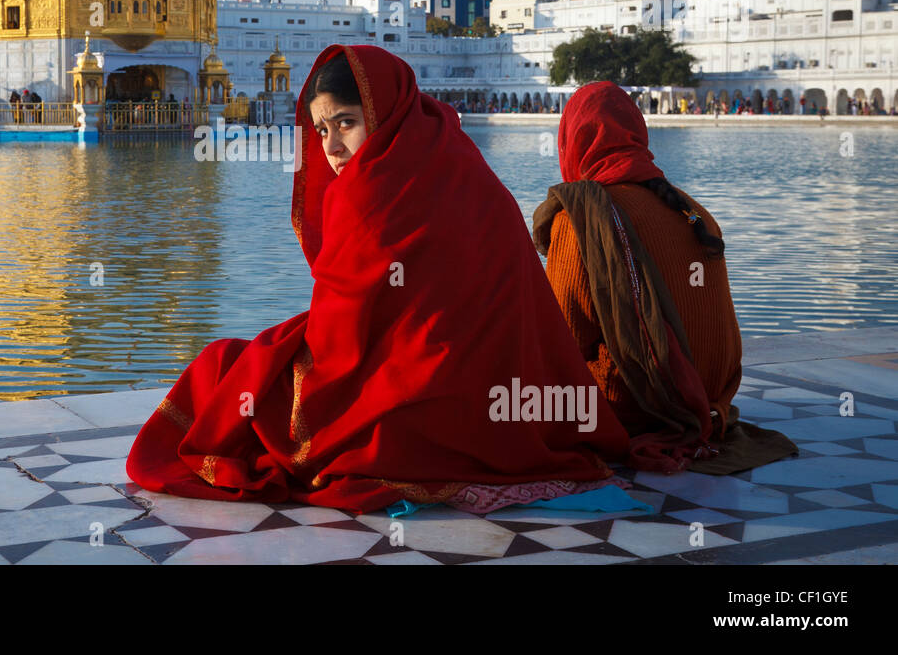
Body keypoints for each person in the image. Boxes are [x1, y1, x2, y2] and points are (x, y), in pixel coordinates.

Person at [127, 45, 633, 515]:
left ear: (383, 110)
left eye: (345, 123)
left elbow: (336, 346)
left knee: (225, 369)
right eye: (321, 131)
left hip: (413, 415)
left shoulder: (369, 195)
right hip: (507, 412)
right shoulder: (461, 162)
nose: (332, 147)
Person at [533, 81, 795, 474]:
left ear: (571, 141)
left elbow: (563, 340)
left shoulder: (581, 219)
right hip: (714, 398)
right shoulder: (691, 209)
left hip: (641, 403)